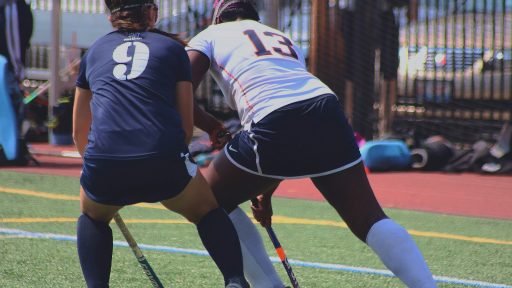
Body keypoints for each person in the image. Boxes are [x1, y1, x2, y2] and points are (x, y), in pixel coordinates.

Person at [186, 1, 437, 287]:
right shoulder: (279, 36)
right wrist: (265, 196)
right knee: (369, 218)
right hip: (326, 110)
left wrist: (212, 127)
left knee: (207, 199)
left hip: (274, 119)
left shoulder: (209, 35)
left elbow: (180, 91)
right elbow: (295, 132)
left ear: (218, 16)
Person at [73, 1, 248, 287]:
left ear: (111, 16)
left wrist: (94, 166)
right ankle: (235, 281)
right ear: (152, 13)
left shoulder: (93, 52)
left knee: (92, 216)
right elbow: (184, 121)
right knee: (206, 210)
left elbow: (79, 131)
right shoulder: (173, 50)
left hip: (104, 163)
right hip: (163, 159)